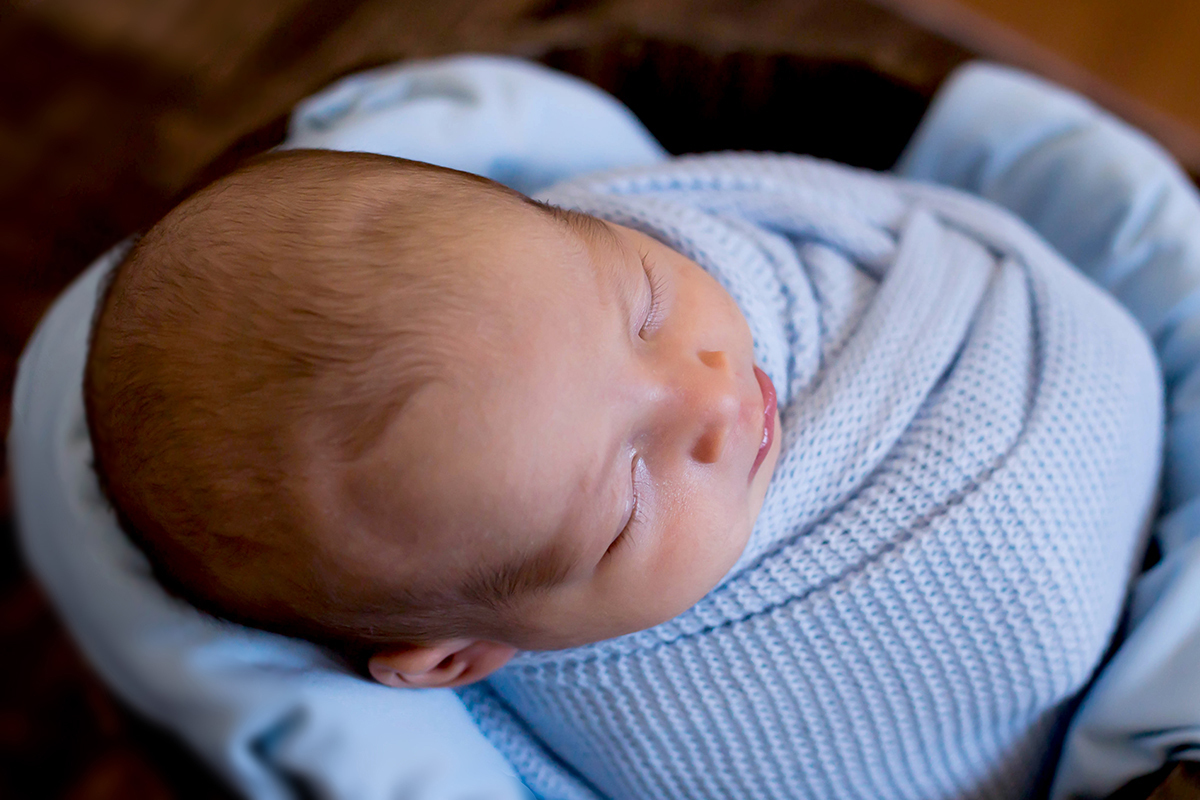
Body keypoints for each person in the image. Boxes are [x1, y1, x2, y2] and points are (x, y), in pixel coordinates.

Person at [81, 127, 1164, 800]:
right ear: (456, 657)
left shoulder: (675, 246)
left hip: (1029, 357)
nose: (708, 392)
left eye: (643, 304)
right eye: (627, 496)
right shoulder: (620, 709)